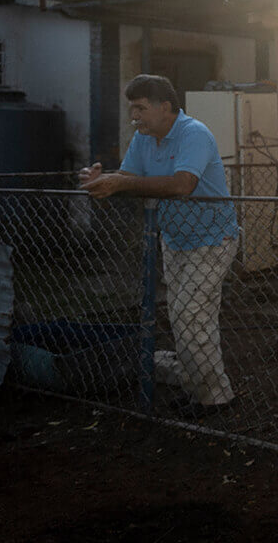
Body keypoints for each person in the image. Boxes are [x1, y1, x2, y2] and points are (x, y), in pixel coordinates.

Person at [80, 74, 240, 416]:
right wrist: (102, 179)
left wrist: (119, 184)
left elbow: (183, 184)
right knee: (192, 317)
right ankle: (204, 390)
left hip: (212, 238)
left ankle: (214, 398)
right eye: (132, 110)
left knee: (188, 315)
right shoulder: (144, 138)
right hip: (175, 238)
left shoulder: (192, 133)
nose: (133, 117)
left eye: (140, 108)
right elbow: (128, 178)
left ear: (165, 107)